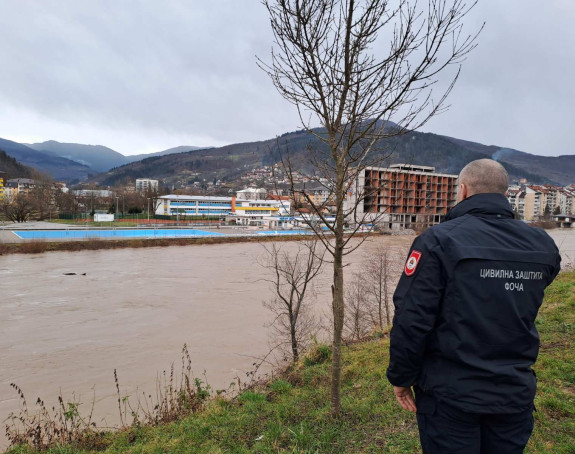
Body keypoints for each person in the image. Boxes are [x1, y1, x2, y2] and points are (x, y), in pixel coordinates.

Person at [386, 159, 561, 453]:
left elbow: (412, 318)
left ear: (463, 190)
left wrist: (401, 378)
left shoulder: (437, 241)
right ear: (505, 195)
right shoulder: (542, 244)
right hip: (513, 390)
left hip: (450, 394)